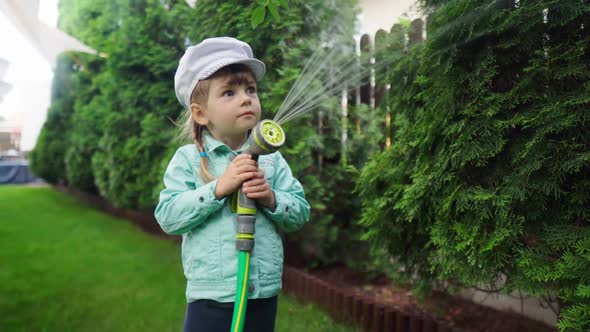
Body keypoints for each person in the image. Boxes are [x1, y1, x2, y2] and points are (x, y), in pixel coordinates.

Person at [155, 37, 310, 332]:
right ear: (201, 113)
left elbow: (300, 212)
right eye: (229, 92)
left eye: (250, 89)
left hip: (262, 295)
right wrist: (217, 188)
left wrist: (272, 198)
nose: (245, 98)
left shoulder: (271, 161)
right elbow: (168, 216)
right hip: (211, 298)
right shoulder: (188, 160)